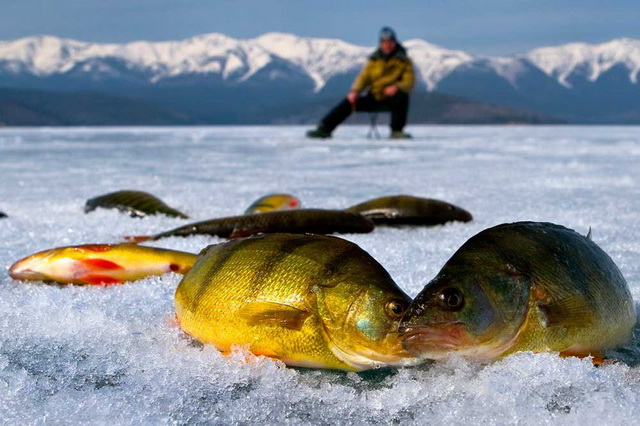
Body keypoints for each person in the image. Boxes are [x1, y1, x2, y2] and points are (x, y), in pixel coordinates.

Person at [307, 27, 415, 139]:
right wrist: (355, 91)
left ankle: (397, 131)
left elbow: (409, 81)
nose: (387, 45)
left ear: (394, 43)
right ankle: (324, 129)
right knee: (349, 101)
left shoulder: (404, 61)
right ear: (380, 44)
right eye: (384, 42)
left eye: (389, 42)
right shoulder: (374, 60)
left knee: (401, 96)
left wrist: (396, 87)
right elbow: (364, 77)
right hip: (374, 96)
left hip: (392, 99)